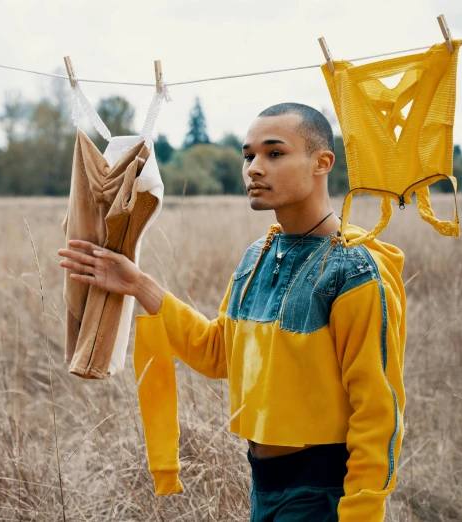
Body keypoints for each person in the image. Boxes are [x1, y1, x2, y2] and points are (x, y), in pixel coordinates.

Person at [57, 102, 406, 522]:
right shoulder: (257, 256)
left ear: (322, 163)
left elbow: (377, 410)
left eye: (274, 153)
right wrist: (137, 284)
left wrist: (361, 513)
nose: (254, 168)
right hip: (264, 486)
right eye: (248, 155)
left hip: (323, 493)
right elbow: (218, 353)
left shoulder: (354, 270)